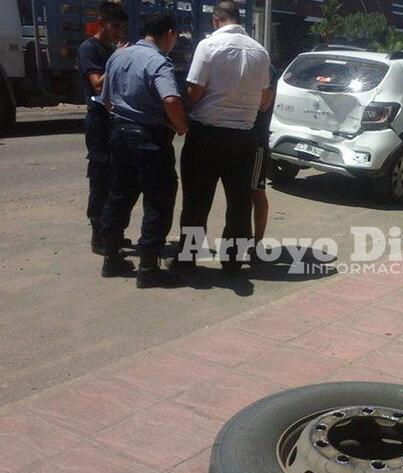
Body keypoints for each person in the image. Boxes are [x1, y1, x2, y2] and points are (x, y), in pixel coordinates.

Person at [176, 0, 270, 274]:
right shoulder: (260, 52)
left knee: (196, 202)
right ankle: (233, 261)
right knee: (240, 203)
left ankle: (187, 259)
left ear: (215, 20)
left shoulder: (208, 46)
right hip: (243, 137)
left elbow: (194, 92)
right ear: (238, 19)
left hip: (207, 135)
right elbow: (264, 99)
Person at [100, 13, 189, 288]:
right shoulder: (158, 61)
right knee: (158, 201)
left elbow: (106, 101)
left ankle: (111, 258)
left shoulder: (118, 56)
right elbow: (171, 99)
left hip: (120, 134)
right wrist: (181, 126)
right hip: (149, 139)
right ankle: (149, 268)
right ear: (169, 34)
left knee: (118, 196)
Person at [77, 1, 129, 255]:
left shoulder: (110, 49)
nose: (119, 32)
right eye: (115, 26)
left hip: (114, 120)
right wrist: (118, 59)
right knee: (100, 177)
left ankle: (113, 232)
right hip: (98, 120)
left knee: (117, 178)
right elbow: (97, 83)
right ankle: (98, 234)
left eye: (122, 28)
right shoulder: (89, 49)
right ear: (101, 24)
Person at [250, 68, 277, 246]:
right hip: (241, 141)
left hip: (257, 144)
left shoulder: (267, 71)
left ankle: (257, 242)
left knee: (257, 192)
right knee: (242, 194)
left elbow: (264, 104)